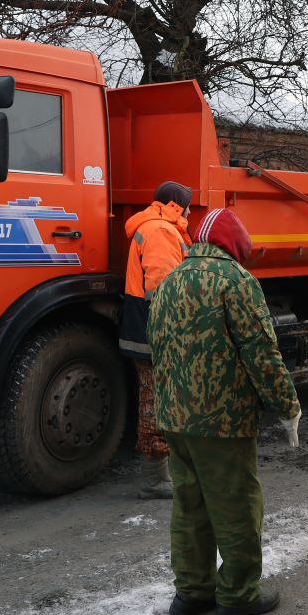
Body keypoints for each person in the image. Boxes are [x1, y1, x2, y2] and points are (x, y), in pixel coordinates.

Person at [148, 207, 301, 615]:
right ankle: (237, 595)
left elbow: (156, 348)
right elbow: (261, 353)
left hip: (174, 418)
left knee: (190, 506)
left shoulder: (171, 280)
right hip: (221, 421)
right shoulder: (236, 281)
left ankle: (192, 593)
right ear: (233, 247)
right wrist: (287, 406)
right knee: (235, 505)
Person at [122, 180, 194, 500]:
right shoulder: (161, 231)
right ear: (176, 206)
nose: (191, 212)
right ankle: (155, 478)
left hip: (147, 329)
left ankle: (163, 472)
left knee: (157, 397)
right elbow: (166, 289)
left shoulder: (154, 226)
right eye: (187, 206)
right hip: (157, 333)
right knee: (157, 400)